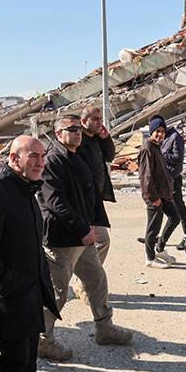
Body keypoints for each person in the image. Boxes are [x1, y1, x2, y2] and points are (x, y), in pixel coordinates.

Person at [38, 115, 133, 361]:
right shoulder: (52, 161)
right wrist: (83, 228)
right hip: (63, 239)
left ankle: (104, 328)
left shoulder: (76, 155)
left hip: (82, 236)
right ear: (58, 134)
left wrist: (93, 223)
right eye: (72, 129)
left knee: (97, 280)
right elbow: (55, 202)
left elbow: (91, 192)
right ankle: (43, 340)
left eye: (79, 129)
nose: (78, 133)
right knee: (58, 292)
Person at [0, 135, 60, 372]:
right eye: (33, 156)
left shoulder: (27, 189)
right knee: (15, 360)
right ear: (13, 158)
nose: (40, 162)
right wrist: (10, 284)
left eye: (43, 157)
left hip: (29, 294)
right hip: (10, 300)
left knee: (27, 365)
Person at [74, 106, 116, 299]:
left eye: (100, 119)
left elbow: (110, 156)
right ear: (84, 122)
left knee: (98, 242)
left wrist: (106, 137)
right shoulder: (78, 141)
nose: (100, 122)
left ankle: (83, 281)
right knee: (98, 241)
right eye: (96, 119)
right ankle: (83, 281)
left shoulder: (97, 139)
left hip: (95, 201)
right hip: (83, 202)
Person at [138, 116, 179, 269]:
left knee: (175, 218)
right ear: (151, 132)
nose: (160, 134)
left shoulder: (156, 147)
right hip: (154, 196)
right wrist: (153, 197)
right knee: (153, 228)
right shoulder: (147, 148)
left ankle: (159, 248)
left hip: (163, 194)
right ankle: (150, 258)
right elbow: (145, 176)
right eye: (157, 131)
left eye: (162, 132)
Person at [152, 114, 186, 250]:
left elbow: (178, 157)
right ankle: (154, 235)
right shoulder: (164, 138)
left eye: (160, 130)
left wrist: (161, 155)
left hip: (173, 178)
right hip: (163, 178)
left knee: (178, 207)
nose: (159, 134)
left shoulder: (175, 137)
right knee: (159, 208)